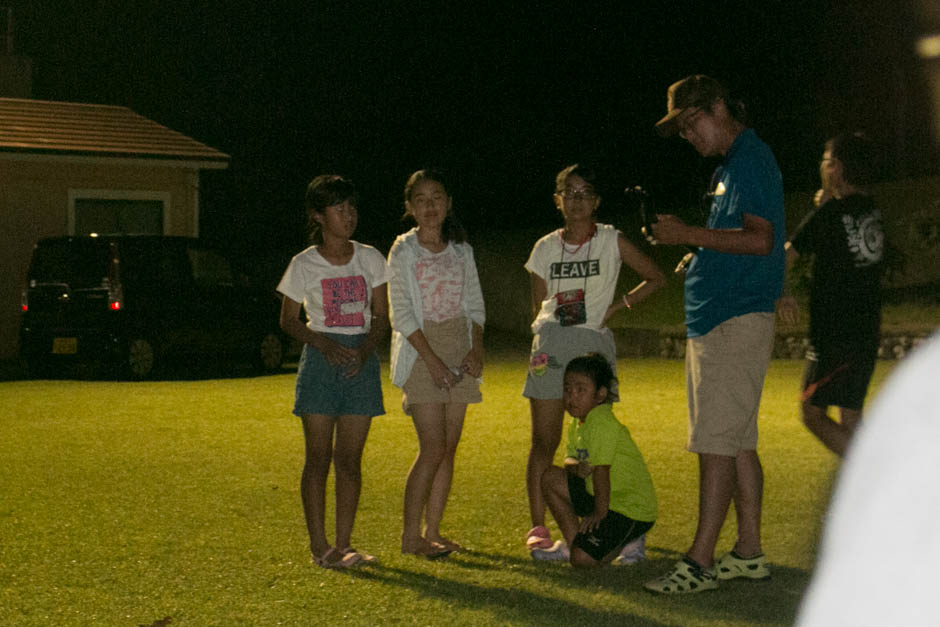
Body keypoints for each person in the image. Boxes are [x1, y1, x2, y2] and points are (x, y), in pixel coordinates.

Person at [643, 75, 786, 594]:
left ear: (719, 107)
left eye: (690, 122)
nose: (687, 136)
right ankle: (748, 551)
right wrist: (698, 250)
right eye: (680, 129)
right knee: (738, 441)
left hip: (733, 318)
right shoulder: (730, 166)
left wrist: (688, 233)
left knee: (716, 444)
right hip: (719, 315)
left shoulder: (750, 158)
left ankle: (698, 561)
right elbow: (737, 238)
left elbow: (761, 239)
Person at [523, 164, 665, 558]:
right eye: (569, 192)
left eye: (585, 193)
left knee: (600, 444)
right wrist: (548, 329)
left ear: (597, 201)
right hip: (551, 344)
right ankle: (540, 527)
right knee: (544, 441)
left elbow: (656, 277)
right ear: (558, 200)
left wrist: (618, 306)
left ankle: (618, 525)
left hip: (592, 345)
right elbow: (537, 306)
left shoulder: (611, 240)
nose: (577, 200)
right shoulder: (545, 248)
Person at [277, 174, 390, 569]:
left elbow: (381, 317)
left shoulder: (371, 257)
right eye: (338, 209)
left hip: (361, 361)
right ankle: (319, 545)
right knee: (318, 458)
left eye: (352, 207)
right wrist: (324, 344)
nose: (349, 215)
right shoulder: (303, 263)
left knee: (350, 460)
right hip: (320, 364)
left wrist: (363, 350)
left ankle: (344, 544)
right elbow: (289, 320)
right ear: (318, 216)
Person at [796, 334, 940, 626]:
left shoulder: (926, 379)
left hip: (841, 339)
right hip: (849, 339)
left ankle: (872, 493)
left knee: (816, 415)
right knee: (849, 420)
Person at [388, 169, 485, 558]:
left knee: (449, 447)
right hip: (420, 349)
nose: (431, 206)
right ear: (410, 208)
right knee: (431, 447)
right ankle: (411, 537)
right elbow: (401, 311)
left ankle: (435, 531)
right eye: (422, 200)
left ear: (448, 204)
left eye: (438, 197)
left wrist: (476, 348)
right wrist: (431, 361)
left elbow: (475, 305)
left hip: (459, 344)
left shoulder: (462, 249)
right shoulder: (403, 250)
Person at [777, 133, 885, 457]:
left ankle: (876, 479)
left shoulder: (828, 215)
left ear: (837, 168)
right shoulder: (872, 210)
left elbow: (787, 255)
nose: (822, 167)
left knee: (811, 412)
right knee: (851, 415)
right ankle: (868, 499)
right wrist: (826, 202)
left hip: (834, 334)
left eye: (826, 161)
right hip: (866, 330)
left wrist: (783, 293)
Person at [536, 353, 657, 568]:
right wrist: (576, 467)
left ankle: (631, 540)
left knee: (584, 561)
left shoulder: (601, 421)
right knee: (550, 478)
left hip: (628, 508)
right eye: (567, 389)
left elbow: (602, 471)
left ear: (600, 394)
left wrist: (599, 514)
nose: (571, 397)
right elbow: (570, 460)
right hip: (602, 496)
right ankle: (575, 544)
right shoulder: (579, 422)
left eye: (581, 390)